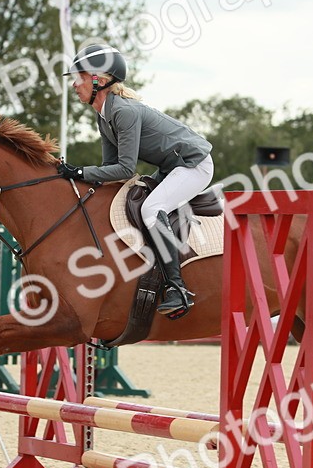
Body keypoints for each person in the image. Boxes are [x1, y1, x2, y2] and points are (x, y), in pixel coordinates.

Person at [59, 44, 214, 318]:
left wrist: (80, 172)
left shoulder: (124, 112)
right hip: (170, 168)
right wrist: (78, 181)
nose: (74, 85)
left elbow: (124, 169)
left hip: (194, 164)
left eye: (79, 77)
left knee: (151, 209)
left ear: (100, 80)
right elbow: (108, 167)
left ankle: (178, 289)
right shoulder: (104, 116)